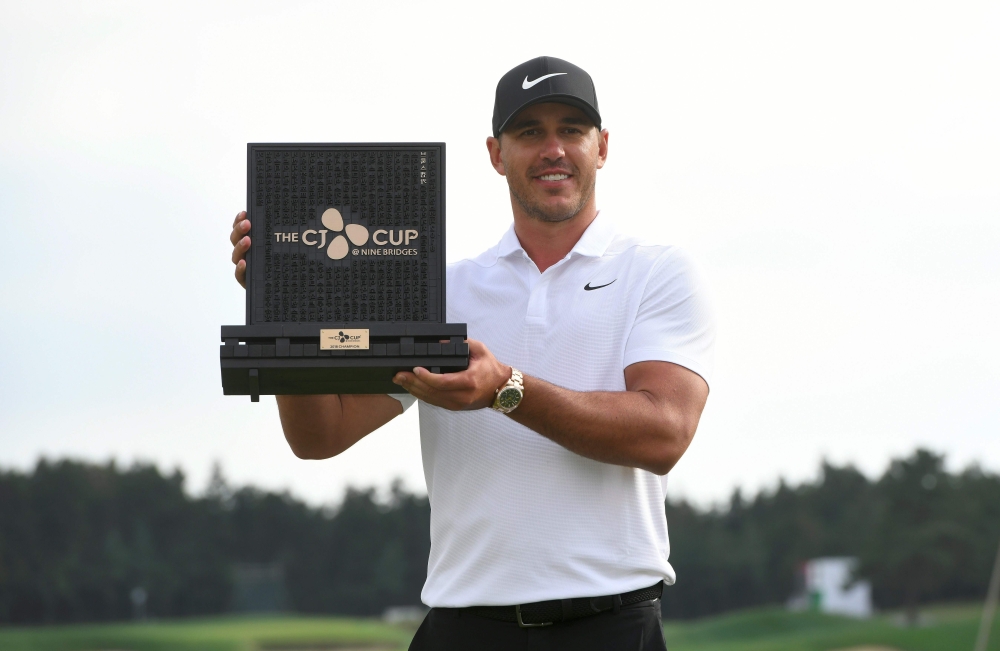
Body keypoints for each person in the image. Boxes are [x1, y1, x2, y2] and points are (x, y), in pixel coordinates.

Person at [229, 56, 714, 650]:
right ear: (495, 153)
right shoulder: (442, 291)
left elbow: (663, 434)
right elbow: (320, 434)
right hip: (462, 624)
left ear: (602, 146)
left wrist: (505, 389)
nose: (553, 148)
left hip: (610, 625)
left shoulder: (656, 272)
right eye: (529, 132)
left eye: (571, 129)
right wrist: (287, 306)